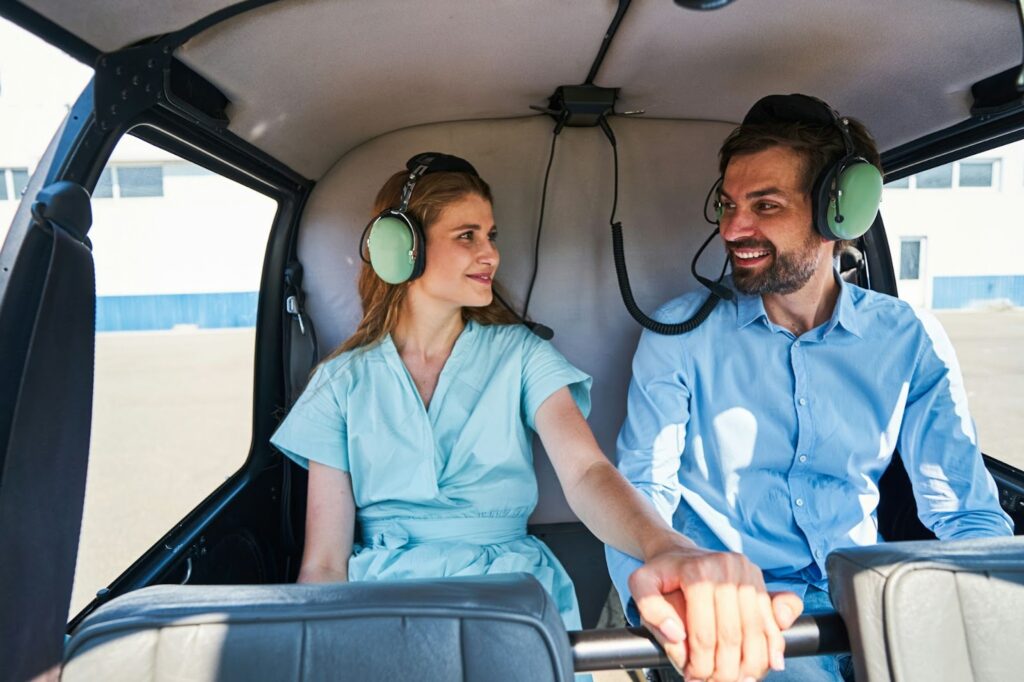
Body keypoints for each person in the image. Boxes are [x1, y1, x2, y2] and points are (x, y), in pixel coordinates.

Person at [271, 152, 801, 679]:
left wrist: (664, 546)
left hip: (508, 599)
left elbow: (586, 472)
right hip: (381, 607)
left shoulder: (522, 355)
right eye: (467, 236)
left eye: (491, 235)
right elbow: (323, 562)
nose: (490, 255)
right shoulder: (340, 382)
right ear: (401, 249)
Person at [607, 94, 1015, 681]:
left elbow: (966, 511)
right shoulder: (680, 335)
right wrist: (664, 606)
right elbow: (641, 491)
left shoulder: (907, 338)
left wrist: (991, 609)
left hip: (873, 597)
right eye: (726, 205)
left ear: (838, 214)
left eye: (764, 205)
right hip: (746, 612)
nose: (732, 229)